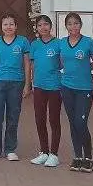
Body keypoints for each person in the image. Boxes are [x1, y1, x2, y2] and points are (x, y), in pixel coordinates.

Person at [0, 15, 31, 161]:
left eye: (11, 24)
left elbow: (27, 64)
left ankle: (10, 149)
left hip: (16, 83)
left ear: (16, 26)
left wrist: (27, 84)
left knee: (13, 116)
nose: (8, 27)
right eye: (5, 24)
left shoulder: (23, 42)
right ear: (1, 27)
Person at [58, 12, 93, 172]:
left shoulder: (88, 42)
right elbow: (61, 61)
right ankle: (77, 156)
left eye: (76, 23)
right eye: (70, 24)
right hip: (67, 87)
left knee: (81, 122)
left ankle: (88, 157)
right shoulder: (62, 43)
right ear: (66, 26)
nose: (73, 26)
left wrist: (87, 70)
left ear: (80, 25)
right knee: (73, 123)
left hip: (84, 89)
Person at [28, 15, 62, 168]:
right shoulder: (34, 45)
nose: (43, 27)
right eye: (40, 25)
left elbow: (63, 63)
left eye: (46, 24)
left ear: (51, 26)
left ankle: (54, 154)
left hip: (55, 86)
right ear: (37, 28)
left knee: (54, 120)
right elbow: (32, 66)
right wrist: (32, 84)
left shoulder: (59, 44)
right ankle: (44, 152)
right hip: (39, 87)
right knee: (39, 119)